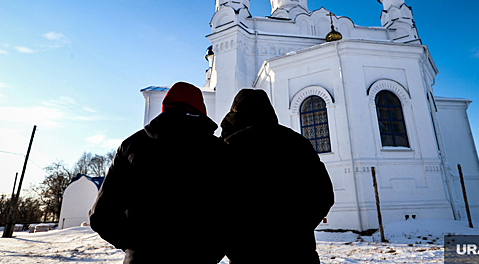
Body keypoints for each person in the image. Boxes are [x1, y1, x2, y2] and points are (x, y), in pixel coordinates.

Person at [89, 82, 227, 263]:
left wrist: (137, 245)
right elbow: (232, 212)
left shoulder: (132, 145)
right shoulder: (219, 151)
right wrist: (210, 252)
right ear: (201, 110)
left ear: (164, 108)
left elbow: (102, 215)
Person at [220, 89, 334, 264]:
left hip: (248, 255)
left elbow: (217, 202)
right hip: (297, 253)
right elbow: (323, 194)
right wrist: (297, 229)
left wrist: (236, 238)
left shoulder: (229, 147)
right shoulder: (297, 143)